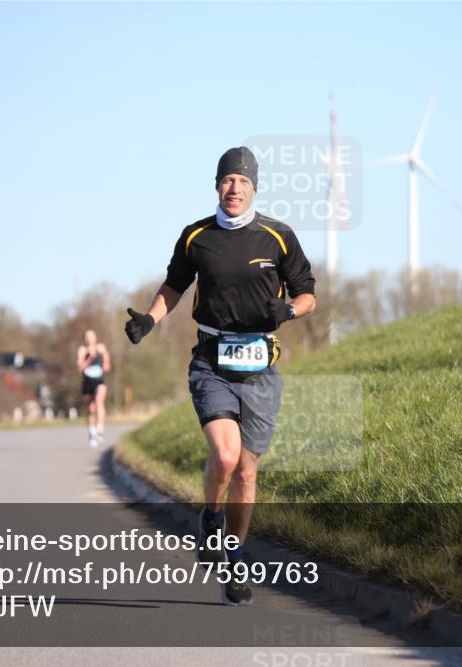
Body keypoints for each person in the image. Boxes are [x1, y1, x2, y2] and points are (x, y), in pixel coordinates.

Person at [125, 146, 316, 605]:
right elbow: (174, 286)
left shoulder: (279, 236)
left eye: (243, 182)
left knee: (248, 474)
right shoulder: (196, 237)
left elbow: (309, 295)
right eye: (228, 181)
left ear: (254, 188)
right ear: (217, 185)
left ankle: (235, 556)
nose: (235, 189)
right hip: (211, 362)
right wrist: (149, 320)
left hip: (261, 370)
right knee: (226, 457)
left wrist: (285, 310)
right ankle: (211, 515)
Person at [77, 330, 111, 448]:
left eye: (92, 336)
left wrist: (106, 364)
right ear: (85, 339)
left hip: (99, 380)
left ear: (95, 337)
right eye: (87, 337)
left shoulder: (100, 348)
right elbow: (79, 368)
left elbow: (107, 363)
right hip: (87, 381)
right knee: (91, 409)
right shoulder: (82, 350)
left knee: (99, 401)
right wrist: (88, 360)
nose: (90, 339)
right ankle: (92, 432)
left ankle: (100, 431)